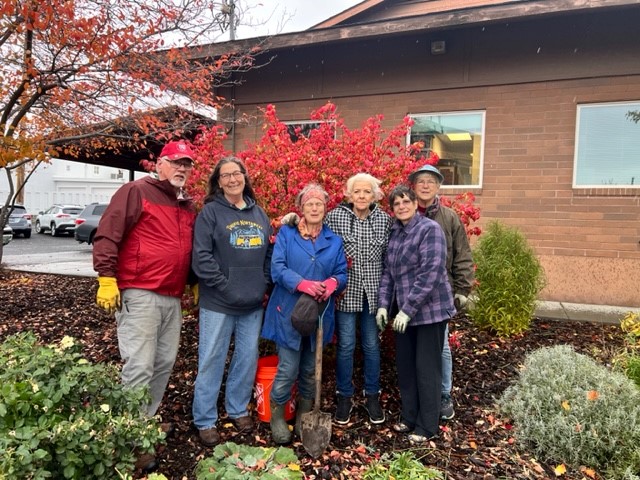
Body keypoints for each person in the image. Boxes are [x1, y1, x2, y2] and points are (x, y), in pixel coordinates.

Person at [93, 139, 197, 471]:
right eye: (175, 162)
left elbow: (186, 250)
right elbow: (108, 233)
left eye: (187, 164)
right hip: (140, 293)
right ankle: (128, 439)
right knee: (139, 365)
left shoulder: (184, 205)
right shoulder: (136, 192)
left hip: (172, 297)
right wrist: (106, 277)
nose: (182, 168)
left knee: (163, 362)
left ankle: (143, 422)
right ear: (159, 164)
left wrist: (192, 282)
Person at [191, 156, 273, 447]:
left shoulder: (259, 213)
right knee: (211, 359)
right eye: (225, 176)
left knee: (246, 358)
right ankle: (205, 419)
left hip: (251, 303)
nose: (232, 179)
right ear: (218, 181)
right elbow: (201, 258)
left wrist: (262, 281)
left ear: (244, 177)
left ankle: (237, 408)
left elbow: (267, 255)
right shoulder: (210, 213)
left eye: (236, 174)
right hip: (219, 302)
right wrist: (225, 287)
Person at [262, 183, 348, 444]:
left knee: (311, 369)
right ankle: (277, 416)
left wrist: (333, 283)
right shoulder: (287, 235)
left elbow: (342, 272)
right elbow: (277, 269)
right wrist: (303, 284)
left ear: (325, 209)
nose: (314, 207)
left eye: (319, 204)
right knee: (288, 368)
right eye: (309, 203)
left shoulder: (333, 240)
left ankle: (304, 413)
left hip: (320, 313)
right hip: (289, 310)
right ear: (301, 208)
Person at [376, 185, 455, 444]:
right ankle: (409, 417)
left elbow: (430, 273)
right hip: (403, 315)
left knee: (427, 368)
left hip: (429, 313)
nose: (401, 206)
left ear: (414, 203)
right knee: (406, 366)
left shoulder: (429, 230)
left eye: (406, 201)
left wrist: (407, 310)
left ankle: (427, 424)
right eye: (396, 203)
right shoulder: (395, 233)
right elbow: (388, 272)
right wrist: (384, 305)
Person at [324, 173, 392, 425]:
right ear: (349, 195)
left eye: (367, 192)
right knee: (346, 346)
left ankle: (372, 395)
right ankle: (344, 396)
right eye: (357, 192)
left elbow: (388, 260)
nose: (362, 196)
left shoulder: (384, 220)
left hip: (373, 296)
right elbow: (317, 237)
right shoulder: (335, 217)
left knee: (372, 346)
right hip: (346, 293)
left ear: (374, 196)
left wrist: (387, 299)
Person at [409, 164, 475, 420]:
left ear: (438, 187)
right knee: (413, 347)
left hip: (439, 293)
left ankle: (443, 394)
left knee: (441, 347)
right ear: (414, 186)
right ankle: (419, 393)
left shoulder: (448, 217)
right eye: (421, 181)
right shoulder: (405, 214)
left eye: (431, 181)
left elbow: (463, 255)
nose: (425, 185)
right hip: (409, 295)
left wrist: (463, 288)